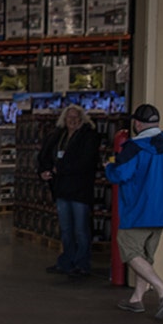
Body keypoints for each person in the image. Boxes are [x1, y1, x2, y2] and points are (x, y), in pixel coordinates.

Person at [104, 103, 163, 318]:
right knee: (146, 254)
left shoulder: (134, 147)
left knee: (129, 250)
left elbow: (119, 174)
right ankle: (136, 299)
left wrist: (108, 166)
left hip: (138, 210)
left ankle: (162, 289)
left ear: (137, 124)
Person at [37, 104, 102, 277]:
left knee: (81, 229)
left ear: (82, 120)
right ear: (64, 119)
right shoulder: (58, 136)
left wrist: (62, 169)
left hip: (80, 190)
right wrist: (43, 171)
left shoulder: (89, 137)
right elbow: (44, 156)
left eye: (76, 118)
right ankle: (66, 261)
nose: (72, 121)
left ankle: (82, 263)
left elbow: (87, 162)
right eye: (69, 117)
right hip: (61, 189)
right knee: (66, 229)